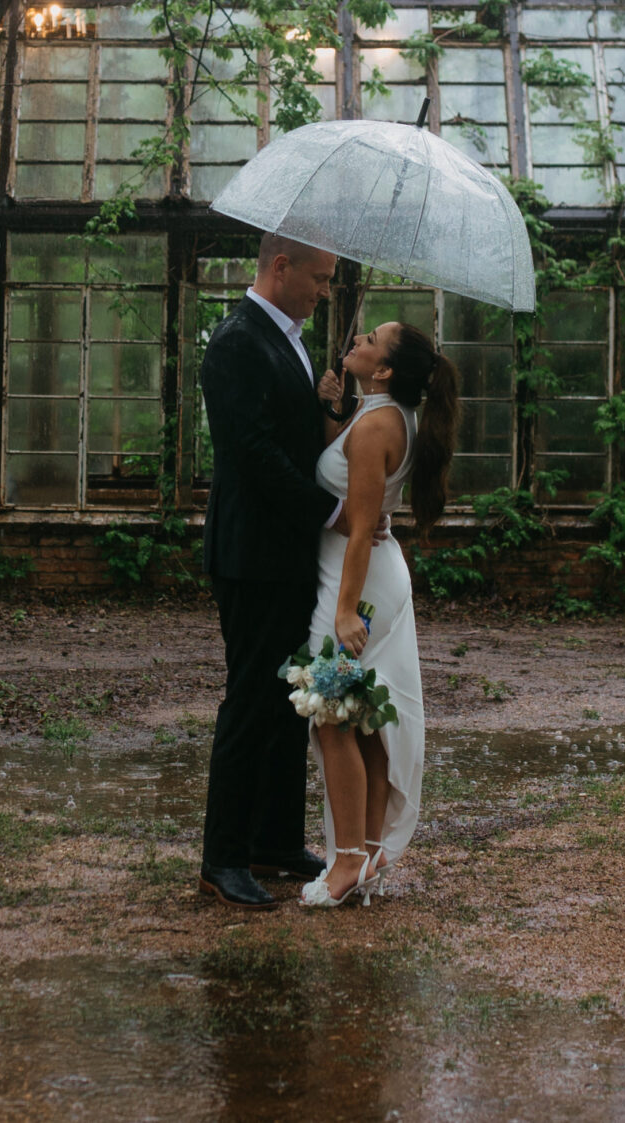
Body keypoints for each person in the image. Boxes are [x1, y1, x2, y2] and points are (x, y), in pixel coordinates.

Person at [197, 235, 343, 909]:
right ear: (279, 267)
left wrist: (331, 409)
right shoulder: (235, 341)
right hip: (252, 557)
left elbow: (289, 431)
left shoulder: (287, 336)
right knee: (253, 701)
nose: (324, 290)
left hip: (286, 554)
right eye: (319, 277)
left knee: (289, 701)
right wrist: (330, 508)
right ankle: (223, 855)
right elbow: (252, 452)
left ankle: (276, 839)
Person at [299, 319, 459, 909]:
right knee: (359, 717)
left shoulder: (378, 428)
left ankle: (343, 863)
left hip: (356, 581)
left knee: (330, 712)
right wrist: (334, 413)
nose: (358, 340)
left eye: (370, 340)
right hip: (370, 574)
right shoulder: (386, 417)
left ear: (386, 369)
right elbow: (349, 483)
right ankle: (364, 852)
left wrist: (343, 614)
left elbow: (361, 526)